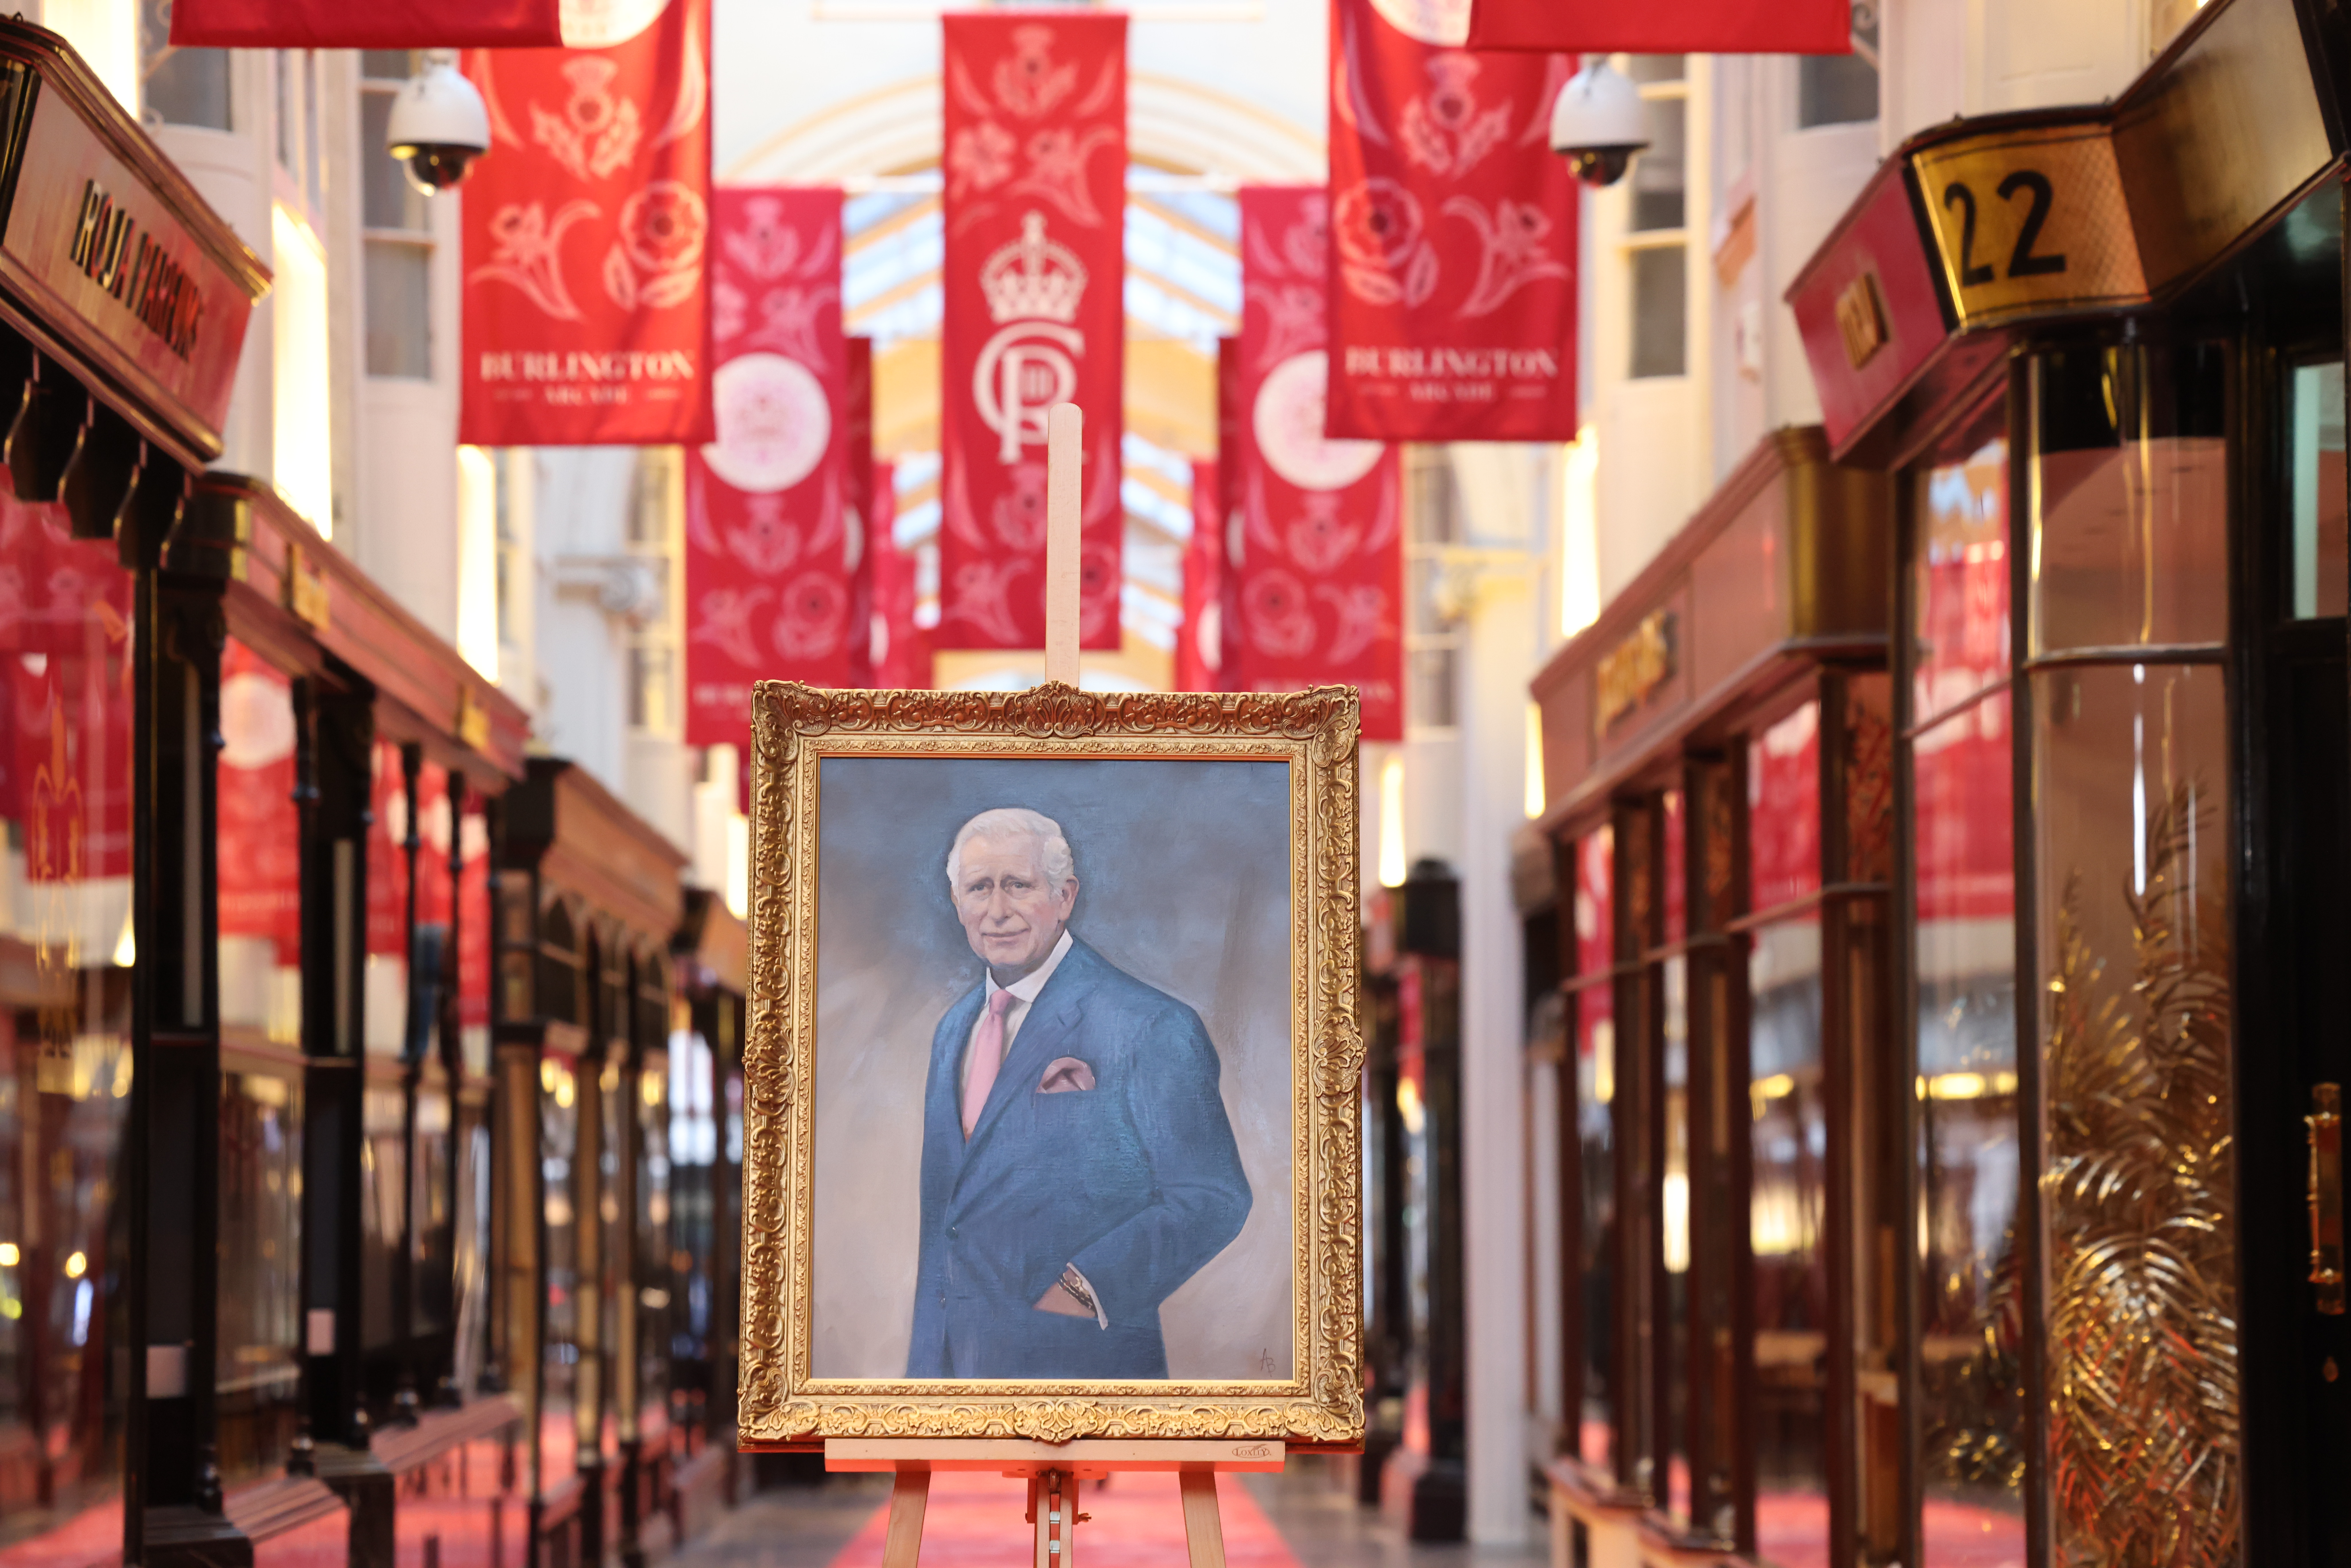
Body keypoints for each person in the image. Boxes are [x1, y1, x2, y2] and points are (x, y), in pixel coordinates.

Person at [906, 806, 1251, 1379]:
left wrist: (1086, 1288)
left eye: (1018, 885)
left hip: (1088, 1377)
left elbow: (1212, 1194)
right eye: (978, 888)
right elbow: (947, 1227)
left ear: (1065, 896)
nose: (997, 910)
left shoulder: (1150, 1024)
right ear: (957, 903)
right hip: (955, 1387)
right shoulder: (953, 1029)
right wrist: (921, 1382)